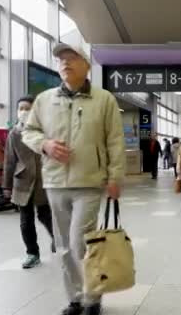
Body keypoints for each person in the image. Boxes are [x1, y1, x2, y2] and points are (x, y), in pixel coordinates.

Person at [22, 43, 125, 315]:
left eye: (71, 58)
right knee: (65, 246)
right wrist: (45, 145)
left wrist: (115, 177)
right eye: (61, 60)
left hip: (90, 182)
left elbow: (115, 141)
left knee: (81, 241)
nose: (64, 63)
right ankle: (76, 298)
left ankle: (93, 297)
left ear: (86, 65)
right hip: (55, 183)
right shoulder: (44, 100)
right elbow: (28, 131)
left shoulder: (104, 100)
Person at [3, 95, 55, 269]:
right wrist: (7, 186)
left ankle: (59, 241)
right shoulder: (14, 134)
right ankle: (32, 253)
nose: (23, 112)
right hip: (22, 181)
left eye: (27, 108)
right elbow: (9, 161)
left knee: (46, 216)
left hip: (43, 180)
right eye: (21, 108)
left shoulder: (46, 131)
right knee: (26, 220)